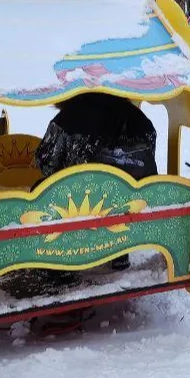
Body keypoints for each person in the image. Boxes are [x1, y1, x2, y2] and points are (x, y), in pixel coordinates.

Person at [34, 92, 158, 269]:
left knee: (43, 189)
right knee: (118, 191)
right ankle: (119, 250)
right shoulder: (141, 120)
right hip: (134, 205)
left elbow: (47, 163)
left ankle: (58, 261)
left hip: (81, 209)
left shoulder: (68, 117)